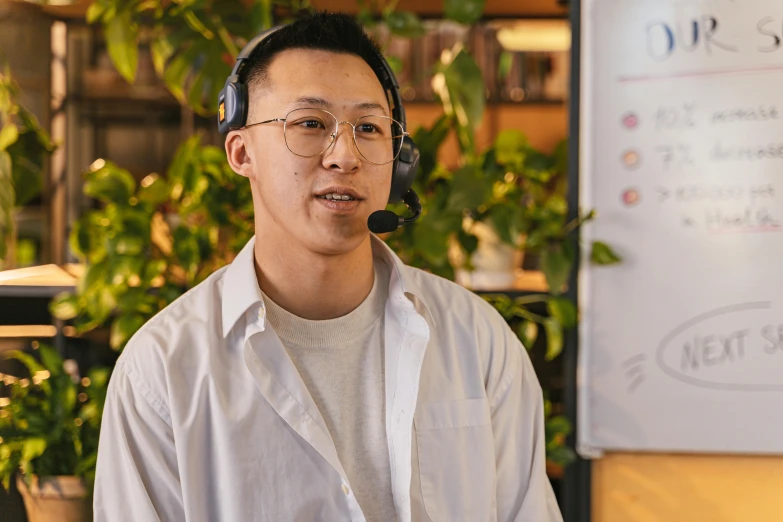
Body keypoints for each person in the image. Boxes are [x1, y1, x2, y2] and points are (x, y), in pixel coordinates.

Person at [94, 12, 563, 522]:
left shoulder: (478, 341)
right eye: (310, 124)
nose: (345, 156)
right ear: (240, 151)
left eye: (368, 127)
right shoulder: (163, 372)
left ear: (400, 160)